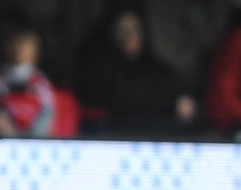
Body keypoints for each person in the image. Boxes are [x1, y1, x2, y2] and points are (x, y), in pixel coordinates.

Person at [77, 8, 197, 137]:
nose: (131, 36)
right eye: (123, 31)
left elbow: (182, 106)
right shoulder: (98, 72)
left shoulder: (159, 71)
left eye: (136, 30)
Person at [0, 27, 56, 138]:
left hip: (34, 139)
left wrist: (34, 137)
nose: (19, 49)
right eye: (15, 44)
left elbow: (47, 111)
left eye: (25, 45)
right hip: (2, 137)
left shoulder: (40, 81)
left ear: (35, 51)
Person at [204, 8, 241, 137]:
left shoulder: (232, 39)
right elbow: (224, 91)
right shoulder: (237, 40)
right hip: (227, 124)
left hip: (225, 119)